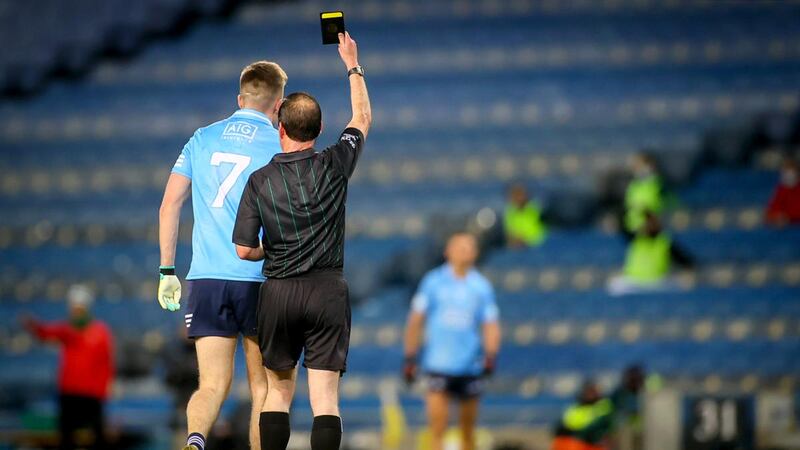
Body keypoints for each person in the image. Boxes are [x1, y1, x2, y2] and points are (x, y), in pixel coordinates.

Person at [232, 31, 371, 450]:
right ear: (321, 128)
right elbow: (362, 118)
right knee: (325, 398)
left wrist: (270, 251)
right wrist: (352, 63)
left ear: (280, 125)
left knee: (278, 393)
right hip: (328, 290)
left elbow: (243, 249)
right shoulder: (334, 163)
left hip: (278, 293)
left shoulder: (260, 180)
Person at [157, 60, 288, 450]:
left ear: (239, 98)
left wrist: (167, 270)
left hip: (206, 278)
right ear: (278, 105)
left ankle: (195, 441)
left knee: (211, 384)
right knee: (262, 387)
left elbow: (169, 206)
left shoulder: (202, 138)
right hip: (257, 277)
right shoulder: (279, 144)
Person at [402, 233, 502, 450]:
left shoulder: (481, 287)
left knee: (468, 430)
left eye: (470, 247)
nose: (465, 252)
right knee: (438, 428)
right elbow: (416, 321)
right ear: (448, 251)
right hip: (439, 365)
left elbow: (490, 324)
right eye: (460, 247)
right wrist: (410, 356)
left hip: (470, 365)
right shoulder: (432, 282)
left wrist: (491, 355)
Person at [20, 285, 114, 450]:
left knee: (96, 433)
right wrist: (33, 326)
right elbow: (45, 333)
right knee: (66, 434)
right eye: (73, 308)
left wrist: (105, 386)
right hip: (69, 390)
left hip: (92, 393)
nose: (75, 311)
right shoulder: (67, 330)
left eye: (79, 308)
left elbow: (106, 362)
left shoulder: (100, 332)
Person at [608, 211, 693, 296]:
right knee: (615, 285)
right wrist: (632, 210)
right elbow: (622, 226)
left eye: (651, 222)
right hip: (634, 281)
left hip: (657, 282)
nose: (648, 226)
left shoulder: (665, 242)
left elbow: (685, 260)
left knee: (677, 287)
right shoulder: (635, 238)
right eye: (646, 223)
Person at [552, 382, 614, 450]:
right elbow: (564, 423)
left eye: (592, 391)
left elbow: (598, 425)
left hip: (592, 441)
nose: (589, 394)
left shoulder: (603, 405)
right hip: (574, 441)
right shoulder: (575, 407)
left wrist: (578, 433)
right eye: (588, 391)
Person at [623, 153, 665, 236]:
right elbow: (628, 207)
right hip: (634, 231)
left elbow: (665, 206)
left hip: (653, 231)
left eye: (640, 165)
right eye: (635, 166)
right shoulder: (633, 186)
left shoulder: (659, 184)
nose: (637, 169)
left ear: (650, 166)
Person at [504, 183, 547, 247]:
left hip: (538, 246)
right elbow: (509, 232)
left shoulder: (536, 208)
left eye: (519, 194)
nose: (517, 198)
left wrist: (526, 239)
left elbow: (542, 232)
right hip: (519, 246)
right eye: (514, 195)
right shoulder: (510, 212)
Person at [765, 157, 800, 226]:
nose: (788, 174)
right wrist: (776, 217)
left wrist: (788, 217)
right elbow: (770, 212)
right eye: (785, 171)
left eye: (791, 170)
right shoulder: (781, 190)